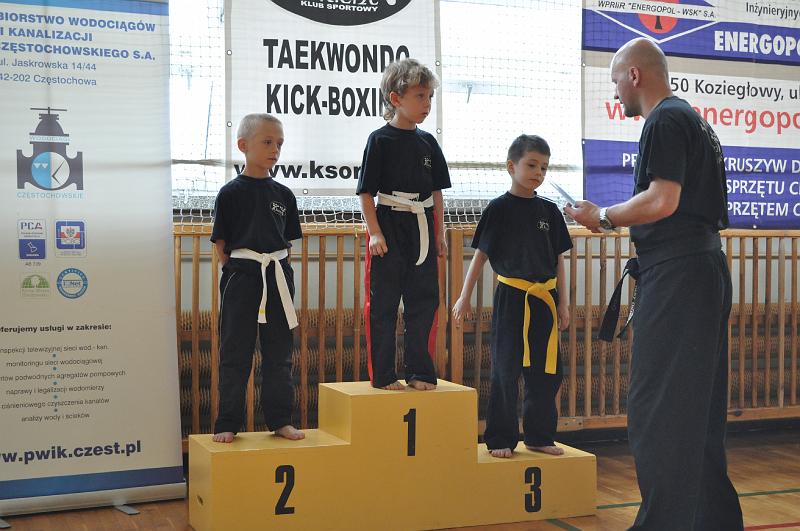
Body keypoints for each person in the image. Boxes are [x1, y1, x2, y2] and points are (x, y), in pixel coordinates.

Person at [565, 38, 743, 530]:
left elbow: (662, 199)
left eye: (615, 80)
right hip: (702, 270)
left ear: (635, 75)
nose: (615, 92)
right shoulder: (693, 120)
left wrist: (603, 216)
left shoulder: (663, 120)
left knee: (658, 410)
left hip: (680, 275)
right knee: (698, 413)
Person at [452, 135, 571, 458]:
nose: (538, 173)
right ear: (511, 166)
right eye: (532, 165)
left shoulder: (549, 211)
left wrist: (563, 303)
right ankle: (501, 438)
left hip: (545, 300)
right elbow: (480, 256)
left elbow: (559, 260)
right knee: (506, 369)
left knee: (546, 372)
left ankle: (539, 435)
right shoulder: (498, 209)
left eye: (544, 167)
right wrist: (464, 296)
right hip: (512, 298)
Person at [356, 58, 451, 391]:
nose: (427, 104)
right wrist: (375, 233)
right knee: (383, 304)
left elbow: (436, 192)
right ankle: (383, 375)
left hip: (422, 226)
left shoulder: (428, 143)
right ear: (396, 99)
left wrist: (439, 233)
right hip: (389, 225)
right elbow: (365, 193)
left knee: (424, 301)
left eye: (430, 97)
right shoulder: (379, 140)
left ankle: (420, 372)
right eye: (420, 96)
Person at [210, 113, 304, 443]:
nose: (275, 149)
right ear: (243, 145)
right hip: (242, 278)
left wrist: (276, 271)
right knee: (235, 353)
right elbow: (221, 245)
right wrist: (242, 271)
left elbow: (287, 243)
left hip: (277, 277)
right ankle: (227, 422)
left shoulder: (284, 194)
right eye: (267, 142)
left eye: (279, 143)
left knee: (279, 354)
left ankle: (280, 420)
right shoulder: (229, 193)